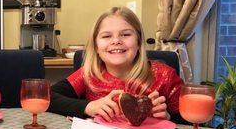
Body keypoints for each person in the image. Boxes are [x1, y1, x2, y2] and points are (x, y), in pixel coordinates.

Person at [49, 7, 183, 121]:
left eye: (125, 34)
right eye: (106, 36)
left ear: (138, 42)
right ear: (96, 46)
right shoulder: (89, 74)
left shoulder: (165, 75)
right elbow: (47, 97)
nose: (116, 41)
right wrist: (88, 106)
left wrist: (169, 117)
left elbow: (194, 123)